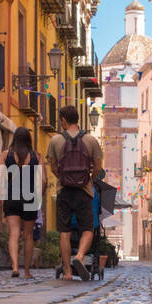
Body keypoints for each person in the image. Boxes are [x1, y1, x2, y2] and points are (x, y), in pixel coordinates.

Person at [47, 106, 103, 281]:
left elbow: (53, 167)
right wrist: (88, 180)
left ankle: (68, 272)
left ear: (63, 120)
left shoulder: (55, 141)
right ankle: (79, 256)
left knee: (64, 231)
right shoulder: (91, 140)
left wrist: (63, 178)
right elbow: (99, 167)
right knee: (87, 229)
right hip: (84, 191)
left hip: (64, 191)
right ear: (77, 119)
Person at [2, 126, 44, 279]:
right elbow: (43, 181)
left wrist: (2, 193)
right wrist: (39, 196)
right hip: (30, 197)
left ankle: (14, 268)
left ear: (15, 138)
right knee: (28, 235)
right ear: (29, 140)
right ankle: (26, 271)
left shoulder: (5, 155)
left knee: (13, 233)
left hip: (12, 196)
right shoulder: (37, 157)